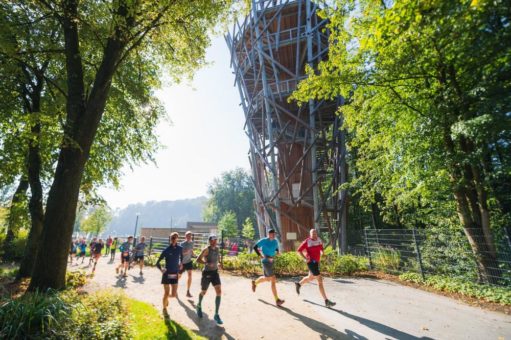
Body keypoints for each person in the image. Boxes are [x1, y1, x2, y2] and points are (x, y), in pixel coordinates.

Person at [295, 229, 336, 307]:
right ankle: (326, 301)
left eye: (315, 233)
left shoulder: (319, 240)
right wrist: (304, 259)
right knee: (319, 280)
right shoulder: (307, 241)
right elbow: (299, 250)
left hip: (316, 262)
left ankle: (298, 284)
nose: (314, 235)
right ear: (310, 235)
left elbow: (321, 249)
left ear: (317, 234)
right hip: (311, 262)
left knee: (310, 277)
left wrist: (323, 254)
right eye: (312, 234)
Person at [251, 229, 284, 306]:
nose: (273, 235)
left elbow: (276, 248)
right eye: (272, 234)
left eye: (274, 234)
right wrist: (260, 255)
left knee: (267, 278)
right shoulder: (264, 240)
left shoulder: (275, 241)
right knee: (273, 279)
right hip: (266, 261)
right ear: (269, 234)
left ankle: (255, 283)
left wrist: (278, 252)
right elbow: (255, 247)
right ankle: (277, 300)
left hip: (272, 260)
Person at [196, 234, 223, 325]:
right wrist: (207, 263)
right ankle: (199, 305)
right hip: (207, 273)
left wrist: (218, 264)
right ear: (210, 241)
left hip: (215, 273)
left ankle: (216, 314)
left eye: (216, 240)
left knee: (219, 292)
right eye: (213, 240)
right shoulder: (206, 249)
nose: (215, 241)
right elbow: (198, 259)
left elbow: (218, 258)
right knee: (203, 292)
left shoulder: (217, 249)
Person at [156, 232, 183, 314]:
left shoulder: (180, 248)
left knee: (174, 295)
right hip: (167, 274)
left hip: (174, 274)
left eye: (175, 237)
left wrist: (181, 263)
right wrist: (161, 269)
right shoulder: (166, 250)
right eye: (172, 238)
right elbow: (157, 262)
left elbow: (181, 257)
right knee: (166, 293)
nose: (174, 239)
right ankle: (164, 308)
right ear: (170, 239)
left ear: (177, 238)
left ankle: (166, 298)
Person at [179, 231, 195, 297]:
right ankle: (174, 286)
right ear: (185, 236)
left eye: (190, 236)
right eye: (188, 236)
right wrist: (186, 252)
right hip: (182, 262)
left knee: (190, 275)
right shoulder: (182, 244)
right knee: (179, 276)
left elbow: (191, 250)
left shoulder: (192, 243)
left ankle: (188, 291)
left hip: (189, 262)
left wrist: (194, 255)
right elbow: (180, 253)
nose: (189, 237)